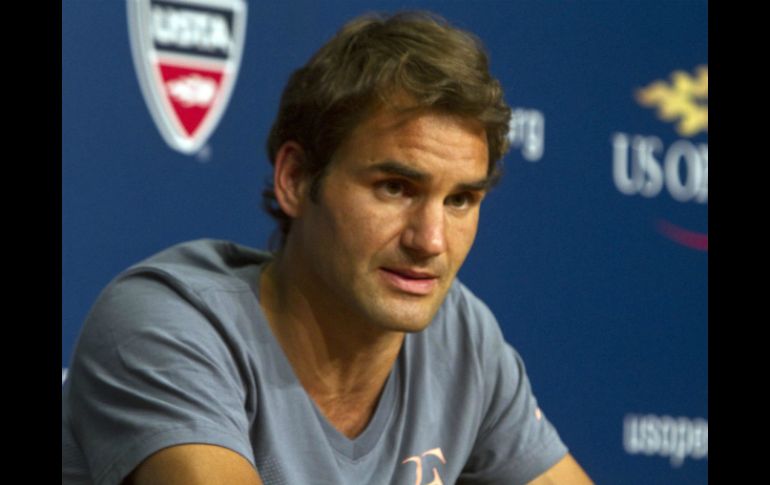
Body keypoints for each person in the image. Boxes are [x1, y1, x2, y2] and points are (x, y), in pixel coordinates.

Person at [62, 11, 593, 485]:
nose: (430, 241)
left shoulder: (460, 339)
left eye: (460, 200)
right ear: (295, 179)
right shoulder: (167, 326)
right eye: (395, 188)